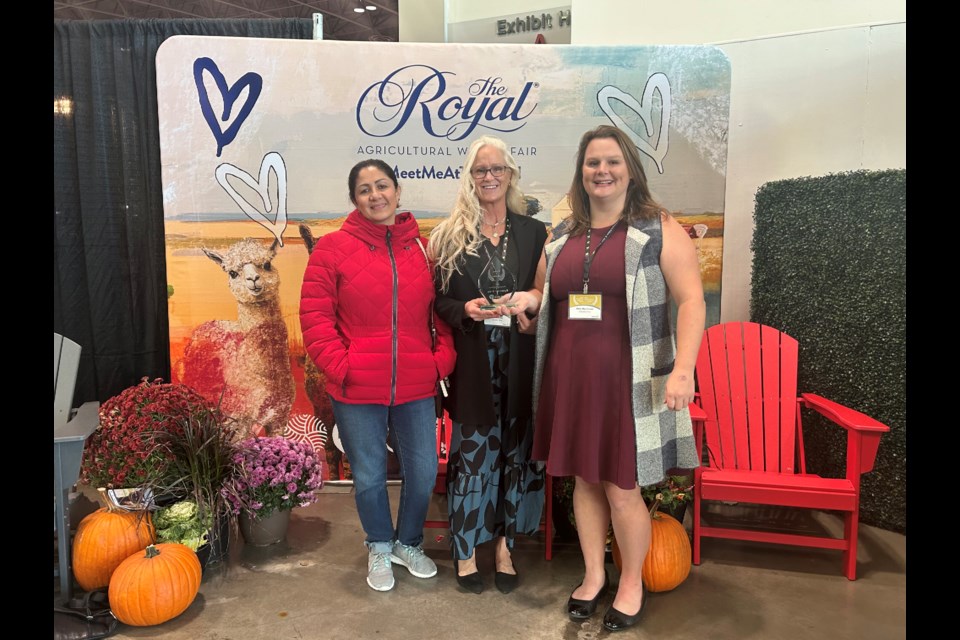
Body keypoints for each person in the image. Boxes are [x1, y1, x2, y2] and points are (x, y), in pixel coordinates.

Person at [531, 125, 705, 632]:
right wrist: (524, 304)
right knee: (584, 481)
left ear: (629, 167)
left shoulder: (657, 228)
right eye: (591, 163)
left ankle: (630, 583)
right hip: (571, 381)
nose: (601, 171)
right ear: (581, 173)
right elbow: (547, 297)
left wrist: (684, 369)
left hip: (628, 384)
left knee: (622, 487)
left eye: (611, 162)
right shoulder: (561, 236)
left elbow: (692, 300)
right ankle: (592, 575)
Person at [300, 159, 456, 592]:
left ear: (397, 190)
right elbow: (315, 318)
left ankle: (408, 543)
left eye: (382, 185)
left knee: (422, 471)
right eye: (365, 189)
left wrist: (439, 361)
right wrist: (342, 367)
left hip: (416, 384)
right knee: (368, 475)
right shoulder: (332, 249)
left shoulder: (423, 250)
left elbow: (438, 314)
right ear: (354, 199)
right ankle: (379, 544)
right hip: (356, 388)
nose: (375, 195)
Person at [428, 136, 547, 595]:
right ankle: (464, 552)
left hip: (519, 362)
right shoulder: (450, 235)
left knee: (516, 458)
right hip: (475, 365)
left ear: (511, 174)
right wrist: (466, 311)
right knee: (473, 459)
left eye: (497, 168)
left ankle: (504, 550)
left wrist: (529, 305)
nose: (490, 177)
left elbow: (545, 296)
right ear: (470, 178)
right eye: (481, 170)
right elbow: (439, 301)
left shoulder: (535, 233)